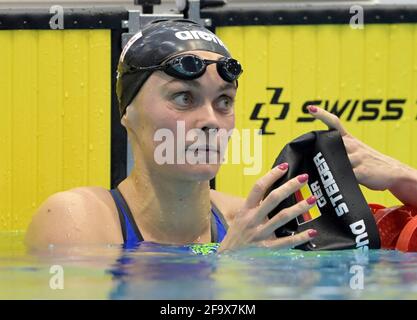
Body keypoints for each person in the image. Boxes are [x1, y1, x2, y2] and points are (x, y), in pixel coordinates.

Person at [25, 19, 417, 252]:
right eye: (184, 97)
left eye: (224, 102)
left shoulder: (249, 221)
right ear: (127, 113)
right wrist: (229, 263)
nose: (210, 119)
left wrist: (406, 180)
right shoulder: (77, 221)